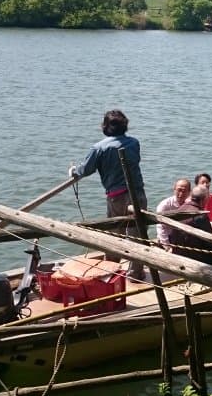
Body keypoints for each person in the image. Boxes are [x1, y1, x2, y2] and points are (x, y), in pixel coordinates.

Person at [70, 109, 147, 280]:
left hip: (117, 196)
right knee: (137, 235)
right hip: (137, 194)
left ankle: (112, 270)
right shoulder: (134, 143)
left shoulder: (99, 148)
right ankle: (136, 273)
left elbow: (85, 170)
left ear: (105, 127)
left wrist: (74, 171)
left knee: (114, 234)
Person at [168, 185, 212, 266]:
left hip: (178, 252)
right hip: (196, 257)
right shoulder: (201, 216)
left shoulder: (180, 209)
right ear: (204, 200)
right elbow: (210, 241)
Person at [155, 178, 191, 248]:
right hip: (168, 238)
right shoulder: (165, 205)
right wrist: (167, 246)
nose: (181, 194)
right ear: (174, 189)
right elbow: (161, 228)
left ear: (189, 192)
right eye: (179, 190)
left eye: (184, 191)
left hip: (183, 238)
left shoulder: (190, 204)